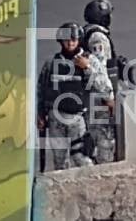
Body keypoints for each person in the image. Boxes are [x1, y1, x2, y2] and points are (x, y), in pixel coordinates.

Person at [37, 22, 113, 171]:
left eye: (74, 39)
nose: (70, 43)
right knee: (60, 162)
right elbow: (41, 90)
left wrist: (87, 68)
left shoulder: (90, 60)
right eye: (67, 40)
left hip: (78, 119)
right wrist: (40, 115)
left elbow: (104, 87)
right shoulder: (51, 63)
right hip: (55, 118)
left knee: (82, 159)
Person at [82, 0, 128, 163]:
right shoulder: (97, 37)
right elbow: (99, 70)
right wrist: (108, 97)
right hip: (99, 97)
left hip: (94, 94)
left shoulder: (88, 32)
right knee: (104, 140)